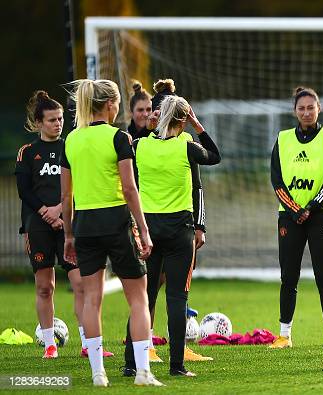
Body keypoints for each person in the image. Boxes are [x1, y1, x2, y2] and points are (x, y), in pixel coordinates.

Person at [61, 79, 162, 386]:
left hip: (85, 225)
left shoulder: (71, 140)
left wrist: (68, 236)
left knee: (92, 299)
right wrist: (143, 230)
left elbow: (66, 197)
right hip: (117, 221)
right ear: (110, 105)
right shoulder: (119, 137)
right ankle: (143, 372)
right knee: (139, 299)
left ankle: (97, 374)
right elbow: (130, 188)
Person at [124, 95, 220, 377]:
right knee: (177, 298)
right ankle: (176, 366)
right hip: (180, 230)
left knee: (144, 298)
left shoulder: (141, 145)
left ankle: (131, 363)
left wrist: (148, 128)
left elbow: (129, 150)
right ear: (183, 119)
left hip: (149, 230)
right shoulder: (187, 146)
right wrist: (197, 124)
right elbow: (215, 155)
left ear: (158, 116)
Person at [15, 91, 114, 359]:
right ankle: (49, 344)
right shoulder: (27, 152)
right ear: (38, 123)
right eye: (51, 120)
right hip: (38, 225)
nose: (58, 124)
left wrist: (60, 210)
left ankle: (87, 343)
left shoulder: (71, 145)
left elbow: (79, 182)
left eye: (60, 119)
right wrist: (46, 213)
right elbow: (24, 190)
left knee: (80, 283)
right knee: (45, 287)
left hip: (68, 224)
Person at [269, 87, 323, 349]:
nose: (306, 112)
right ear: (294, 111)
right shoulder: (282, 139)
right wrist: (294, 209)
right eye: (301, 108)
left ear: (319, 108)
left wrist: (310, 207)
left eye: (311, 107)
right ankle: (284, 334)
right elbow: (277, 181)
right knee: (288, 276)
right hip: (289, 217)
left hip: (321, 215)